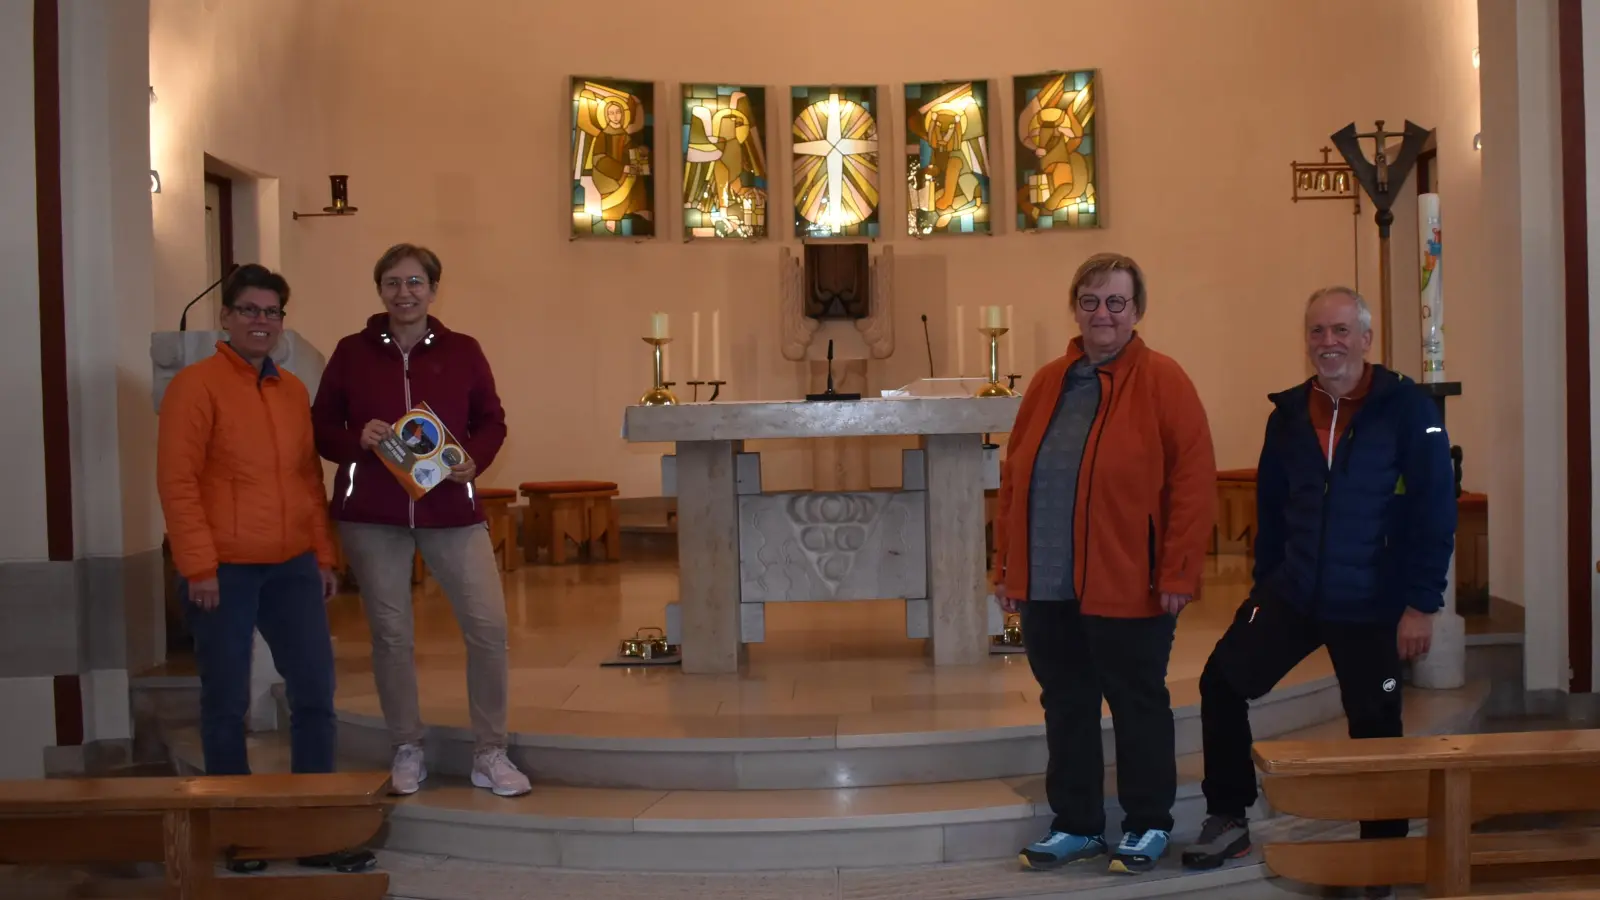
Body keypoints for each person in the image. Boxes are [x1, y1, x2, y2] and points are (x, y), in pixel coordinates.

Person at [1182, 287, 1455, 892]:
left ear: (1365, 338)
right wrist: (1263, 590)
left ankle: (1379, 863)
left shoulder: (1407, 408)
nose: (1327, 343)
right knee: (1221, 682)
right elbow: (1272, 510)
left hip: (1373, 605)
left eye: (1339, 331)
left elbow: (1436, 512)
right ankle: (1228, 816)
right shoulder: (1287, 414)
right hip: (1296, 593)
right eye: (1316, 332)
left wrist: (1421, 604)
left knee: (1376, 730)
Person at [995, 252, 1218, 875]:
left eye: (1116, 303)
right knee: (1065, 703)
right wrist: (1008, 569)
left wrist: (1177, 571)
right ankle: (1077, 824)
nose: (1103, 314)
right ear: (1076, 308)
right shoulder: (1048, 382)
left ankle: (1147, 823)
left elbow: (1194, 482)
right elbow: (1016, 481)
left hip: (1131, 579)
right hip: (1048, 582)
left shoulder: (1164, 380)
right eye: (1091, 301)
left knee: (1136, 701)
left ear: (1137, 312)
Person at [156, 263, 374, 873]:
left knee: (314, 694)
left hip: (292, 567)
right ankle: (241, 829)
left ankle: (315, 828)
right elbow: (176, 483)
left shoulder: (292, 390)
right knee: (225, 703)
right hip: (222, 569)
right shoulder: (194, 387)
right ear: (225, 317)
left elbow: (307, 479)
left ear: (282, 322)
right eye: (249, 310)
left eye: (272, 312)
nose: (261, 321)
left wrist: (323, 553)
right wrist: (197, 565)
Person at [311, 243, 530, 798]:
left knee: (487, 628)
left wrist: (474, 458)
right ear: (379, 289)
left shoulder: (462, 351)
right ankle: (406, 745)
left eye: (415, 282)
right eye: (392, 282)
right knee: (390, 635)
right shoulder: (351, 352)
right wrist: (353, 438)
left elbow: (492, 419)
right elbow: (319, 427)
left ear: (434, 289)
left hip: (451, 512)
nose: (404, 292)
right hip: (373, 516)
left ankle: (491, 751)